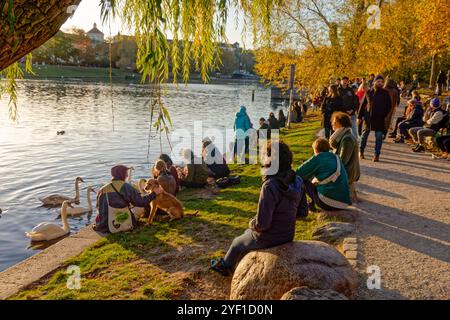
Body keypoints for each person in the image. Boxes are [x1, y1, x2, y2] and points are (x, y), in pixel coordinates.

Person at [210, 141, 308, 275]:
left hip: (269, 237)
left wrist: (252, 223)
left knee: (237, 242)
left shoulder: (270, 186)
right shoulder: (298, 180)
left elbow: (263, 224)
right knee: (246, 233)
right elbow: (303, 212)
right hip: (287, 235)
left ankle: (224, 266)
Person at [94, 165, 163, 233]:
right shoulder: (125, 186)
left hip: (103, 225)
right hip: (118, 223)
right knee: (140, 208)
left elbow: (98, 207)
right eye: (126, 173)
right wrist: (154, 194)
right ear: (122, 174)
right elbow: (141, 202)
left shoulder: (102, 189)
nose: (127, 176)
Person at [296, 138, 351, 212]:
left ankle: (302, 209)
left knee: (301, 180)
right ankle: (311, 205)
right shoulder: (336, 157)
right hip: (344, 203)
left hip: (327, 203)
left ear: (316, 150)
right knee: (316, 181)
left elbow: (298, 173)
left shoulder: (318, 158)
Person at [358, 75, 392, 162]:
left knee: (379, 137)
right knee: (364, 135)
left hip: (379, 118)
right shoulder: (369, 92)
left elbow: (389, 106)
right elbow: (362, 105)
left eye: (381, 82)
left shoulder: (385, 93)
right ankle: (361, 151)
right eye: (378, 81)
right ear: (374, 82)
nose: (380, 83)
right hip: (368, 117)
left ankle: (377, 155)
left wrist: (384, 115)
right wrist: (359, 117)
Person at [329, 112, 360, 202]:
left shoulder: (347, 139)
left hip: (348, 172)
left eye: (334, 122)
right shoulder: (343, 135)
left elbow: (343, 161)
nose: (332, 124)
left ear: (339, 123)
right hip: (347, 169)